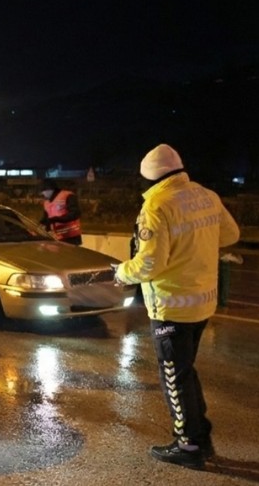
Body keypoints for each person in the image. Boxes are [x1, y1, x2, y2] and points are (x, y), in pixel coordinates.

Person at [114, 144, 240, 470]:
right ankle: (201, 437)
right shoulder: (206, 196)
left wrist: (122, 272)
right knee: (185, 372)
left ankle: (189, 445)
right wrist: (196, 248)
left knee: (174, 378)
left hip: (171, 307)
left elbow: (149, 264)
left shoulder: (157, 205)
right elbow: (231, 234)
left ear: (149, 178)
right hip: (203, 302)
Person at [39, 179, 83, 245]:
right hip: (57, 238)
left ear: (49, 189)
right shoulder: (46, 202)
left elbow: (75, 214)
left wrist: (56, 219)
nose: (42, 194)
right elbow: (46, 219)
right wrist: (41, 225)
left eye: (43, 191)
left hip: (71, 237)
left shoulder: (67, 196)